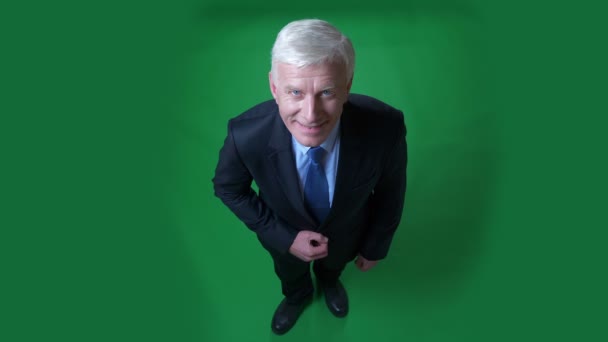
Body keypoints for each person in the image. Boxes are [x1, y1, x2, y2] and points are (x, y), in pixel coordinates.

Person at [212, 18, 407, 335]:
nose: (311, 115)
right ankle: (297, 295)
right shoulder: (245, 135)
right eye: (295, 92)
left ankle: (330, 282)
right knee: (290, 275)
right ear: (274, 88)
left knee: (333, 268)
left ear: (348, 85)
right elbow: (228, 188)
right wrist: (286, 238)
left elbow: (391, 191)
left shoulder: (386, 128)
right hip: (282, 241)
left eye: (327, 92)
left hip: (347, 236)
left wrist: (375, 246)